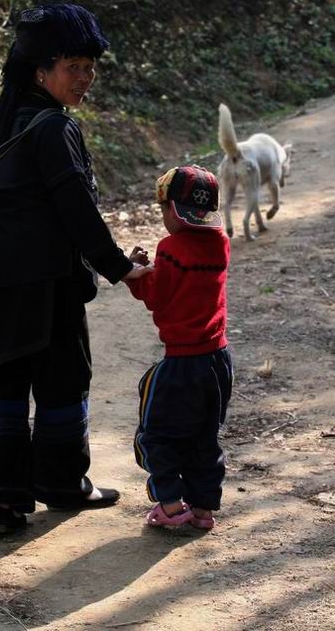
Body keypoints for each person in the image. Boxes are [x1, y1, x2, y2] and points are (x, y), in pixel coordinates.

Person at [0, 3, 152, 534]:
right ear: (41, 72)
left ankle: (0, 500)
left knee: (3, 383)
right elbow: (73, 206)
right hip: (45, 281)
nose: (84, 79)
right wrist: (119, 268)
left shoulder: (8, 124)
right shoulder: (53, 127)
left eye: (89, 67)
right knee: (63, 379)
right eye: (72, 68)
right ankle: (62, 483)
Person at [125, 165, 234, 530]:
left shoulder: (169, 249)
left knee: (157, 433)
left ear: (172, 210)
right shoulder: (221, 242)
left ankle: (170, 507)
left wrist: (133, 273)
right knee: (204, 436)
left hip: (181, 364)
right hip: (218, 360)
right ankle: (203, 509)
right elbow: (192, 283)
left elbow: (157, 296)